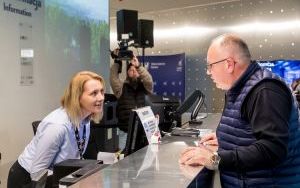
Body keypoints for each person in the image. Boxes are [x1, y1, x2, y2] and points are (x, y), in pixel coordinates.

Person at [179, 34, 300, 187]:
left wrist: (214, 158)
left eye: (210, 66)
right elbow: (252, 132)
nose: (208, 73)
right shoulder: (242, 87)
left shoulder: (265, 90)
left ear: (229, 64)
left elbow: (272, 149)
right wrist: (227, 141)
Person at [7, 71, 105, 188]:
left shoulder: (86, 119)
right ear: (77, 96)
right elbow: (37, 172)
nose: (101, 97)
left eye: (101, 91)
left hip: (53, 178)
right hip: (27, 180)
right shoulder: (57, 126)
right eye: (94, 93)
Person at [110, 49, 153, 151]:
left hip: (141, 132)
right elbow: (113, 77)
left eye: (135, 70)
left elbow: (149, 80)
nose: (133, 72)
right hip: (125, 132)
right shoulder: (121, 88)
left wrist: (138, 66)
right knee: (123, 160)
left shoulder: (144, 87)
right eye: (130, 70)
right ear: (127, 72)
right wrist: (117, 62)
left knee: (141, 159)